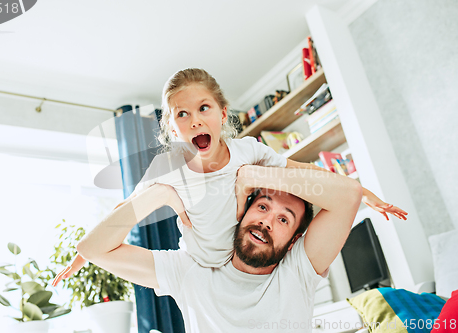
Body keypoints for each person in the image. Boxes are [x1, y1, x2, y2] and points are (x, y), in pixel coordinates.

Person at [52, 68, 406, 285]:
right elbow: (128, 206)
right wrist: (84, 256)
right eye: (182, 115)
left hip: (246, 259)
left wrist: (362, 191)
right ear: (172, 129)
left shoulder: (248, 151)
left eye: (204, 108)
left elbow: (300, 170)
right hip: (199, 265)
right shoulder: (168, 167)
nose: (195, 120)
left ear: (223, 114)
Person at [73, 162, 365, 332]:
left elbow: (349, 194)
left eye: (283, 220)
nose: (266, 222)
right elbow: (95, 249)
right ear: (242, 211)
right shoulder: (190, 270)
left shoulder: (299, 269)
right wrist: (158, 196)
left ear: (293, 243)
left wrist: (254, 175)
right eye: (262, 206)